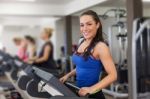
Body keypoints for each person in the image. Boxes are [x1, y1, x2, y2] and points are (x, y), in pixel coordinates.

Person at [60, 10, 117, 99]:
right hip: (79, 91)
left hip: (92, 95)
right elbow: (81, 66)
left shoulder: (101, 46)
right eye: (82, 25)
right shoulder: (82, 41)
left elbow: (113, 75)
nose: (85, 28)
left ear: (97, 25)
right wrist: (68, 75)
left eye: (89, 24)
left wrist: (91, 89)